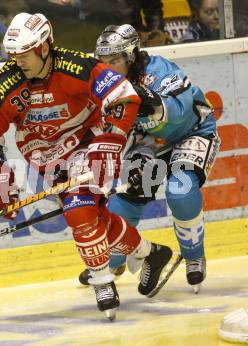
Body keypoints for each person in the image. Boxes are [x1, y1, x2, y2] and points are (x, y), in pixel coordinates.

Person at [0, 12, 175, 319]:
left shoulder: (77, 66)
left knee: (79, 209)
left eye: (25, 54)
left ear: (44, 47)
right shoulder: (2, 87)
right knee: (94, 218)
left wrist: (110, 142)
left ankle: (103, 282)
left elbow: (124, 95)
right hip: (46, 158)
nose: (19, 62)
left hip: (88, 143)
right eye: (14, 56)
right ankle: (150, 253)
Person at [79, 24, 220, 294]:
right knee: (129, 197)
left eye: (115, 60)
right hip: (150, 145)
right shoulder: (103, 87)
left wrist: (151, 101)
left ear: (131, 56)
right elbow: (117, 133)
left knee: (181, 190)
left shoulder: (158, 71)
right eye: (103, 61)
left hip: (191, 133)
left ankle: (194, 257)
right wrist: (133, 160)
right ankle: (114, 261)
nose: (107, 68)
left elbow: (180, 111)